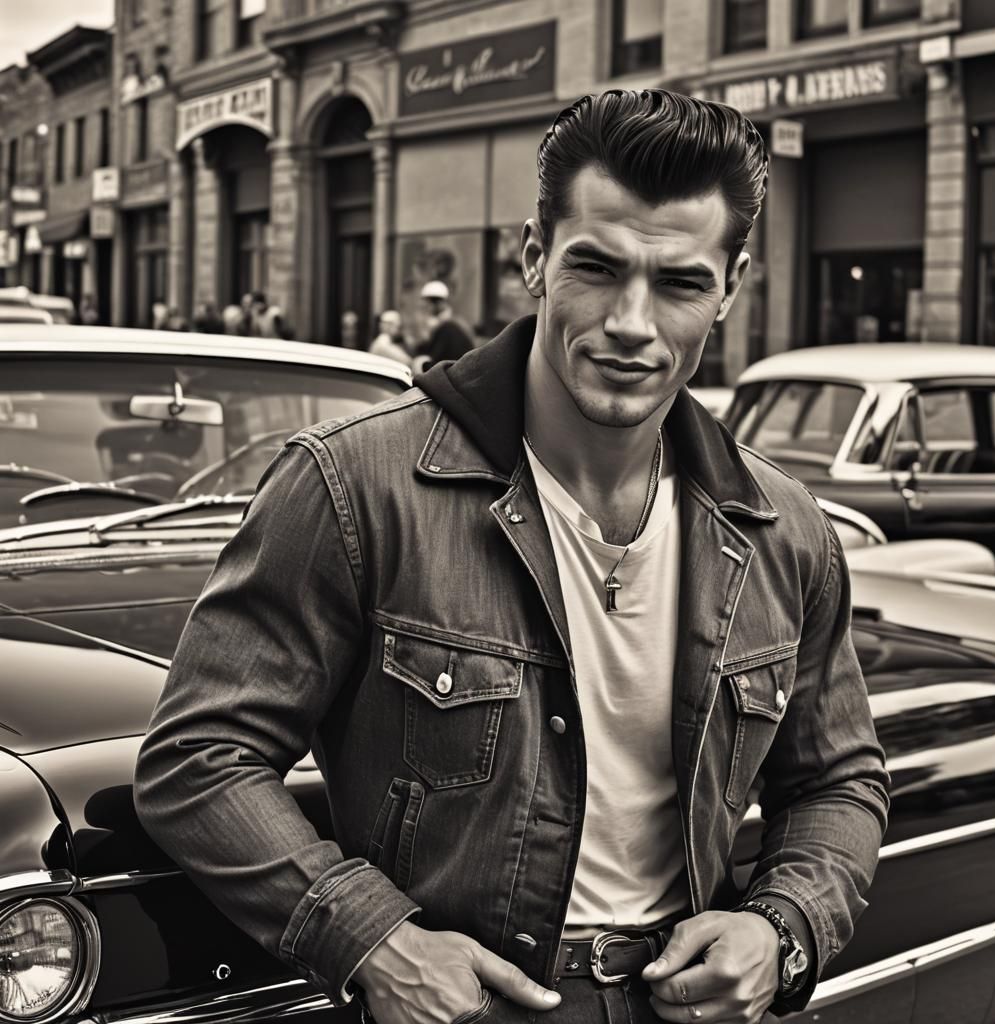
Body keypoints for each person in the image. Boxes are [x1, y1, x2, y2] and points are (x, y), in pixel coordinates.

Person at [135, 90, 888, 1024]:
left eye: (681, 284)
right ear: (535, 257)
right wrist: (374, 940)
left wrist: (782, 931)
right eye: (597, 268)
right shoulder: (354, 485)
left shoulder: (783, 527)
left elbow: (838, 781)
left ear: (731, 287)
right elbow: (200, 757)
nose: (631, 323)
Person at [415, 278, 475, 370]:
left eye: (427, 304)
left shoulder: (448, 327)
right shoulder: (449, 324)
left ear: (438, 303)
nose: (426, 309)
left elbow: (433, 358)